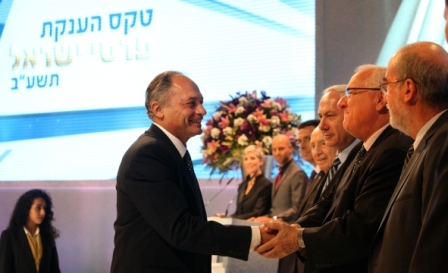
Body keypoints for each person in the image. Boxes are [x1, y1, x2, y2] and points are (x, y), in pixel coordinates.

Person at [110, 71, 272, 273]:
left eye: (201, 102)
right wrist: (257, 235)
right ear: (158, 109)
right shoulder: (149, 154)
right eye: (191, 104)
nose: (202, 111)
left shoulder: (168, 151)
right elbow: (181, 229)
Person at [256, 64, 413, 273]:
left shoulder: (391, 149)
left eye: (352, 93)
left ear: (380, 98)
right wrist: (292, 229)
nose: (343, 102)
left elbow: (361, 227)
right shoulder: (362, 147)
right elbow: (327, 203)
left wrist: (298, 238)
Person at [369, 42, 448, 273]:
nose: (384, 99)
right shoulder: (427, 143)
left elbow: (436, 250)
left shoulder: (442, 143)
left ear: (408, 89)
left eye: (386, 86)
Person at [295, 127, 337, 273]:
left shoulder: (338, 176)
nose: (317, 151)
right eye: (313, 145)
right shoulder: (320, 176)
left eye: (323, 143)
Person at [0, 189, 61, 273]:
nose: (43, 212)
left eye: (44, 208)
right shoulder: (9, 236)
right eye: (38, 208)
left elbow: (54, 269)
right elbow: (4, 269)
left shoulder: (47, 236)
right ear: (26, 209)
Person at [230, 145, 272, 219]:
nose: (248, 162)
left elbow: (258, 212)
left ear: (261, 161)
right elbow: (238, 213)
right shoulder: (242, 185)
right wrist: (225, 217)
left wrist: (233, 218)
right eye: (246, 159)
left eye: (252, 158)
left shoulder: (266, 185)